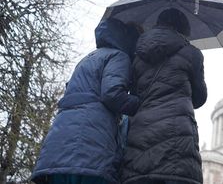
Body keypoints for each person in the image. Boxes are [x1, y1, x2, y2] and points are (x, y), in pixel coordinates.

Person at [31, 18, 141, 184]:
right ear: (131, 41)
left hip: (58, 147)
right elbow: (112, 94)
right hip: (90, 148)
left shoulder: (89, 58)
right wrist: (141, 103)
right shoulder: (119, 57)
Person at [121, 8, 207, 184]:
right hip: (178, 141)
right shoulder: (192, 54)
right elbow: (199, 98)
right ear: (183, 29)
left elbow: (134, 95)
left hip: (140, 137)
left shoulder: (137, 56)